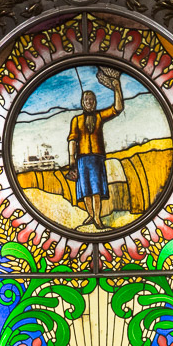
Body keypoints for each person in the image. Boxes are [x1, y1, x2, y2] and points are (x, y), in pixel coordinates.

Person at [65, 69, 123, 231]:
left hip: (97, 158)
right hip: (82, 159)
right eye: (86, 100)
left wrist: (117, 88)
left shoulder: (99, 116)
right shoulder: (76, 120)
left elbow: (117, 108)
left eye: (91, 99)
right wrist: (71, 159)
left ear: (95, 102)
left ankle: (97, 217)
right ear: (82, 103)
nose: (89, 102)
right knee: (85, 190)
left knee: (96, 189)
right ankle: (91, 214)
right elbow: (72, 140)